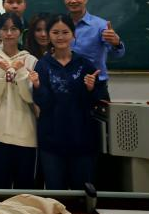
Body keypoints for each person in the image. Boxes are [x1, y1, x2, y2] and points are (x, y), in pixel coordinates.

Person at [32, 14, 107, 190]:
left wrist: (90, 88)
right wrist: (37, 86)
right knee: (56, 192)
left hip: (82, 138)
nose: (60, 37)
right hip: (52, 140)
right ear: (49, 35)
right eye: (55, 32)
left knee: (82, 191)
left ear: (74, 34)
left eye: (65, 32)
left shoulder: (85, 64)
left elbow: (95, 101)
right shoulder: (43, 65)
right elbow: (43, 103)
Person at [0, 13, 37, 189]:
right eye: (4, 29)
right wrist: (4, 72)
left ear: (21, 32)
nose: (9, 33)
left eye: (14, 29)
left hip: (25, 134)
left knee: (24, 188)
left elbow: (29, 97)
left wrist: (19, 72)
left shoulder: (31, 60)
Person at [62, 0, 125, 88]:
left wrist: (116, 43)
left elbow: (117, 55)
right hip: (66, 84)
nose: (73, 0)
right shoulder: (59, 25)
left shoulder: (101, 25)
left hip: (95, 85)